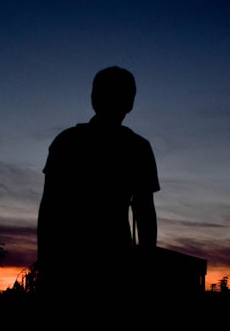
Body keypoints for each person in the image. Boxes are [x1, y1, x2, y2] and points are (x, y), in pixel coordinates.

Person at [36, 66, 159, 300]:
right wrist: (146, 267)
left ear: (93, 99)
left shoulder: (67, 142)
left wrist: (46, 263)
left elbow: (49, 211)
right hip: (112, 262)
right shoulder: (137, 148)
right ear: (130, 103)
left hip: (69, 263)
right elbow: (145, 213)